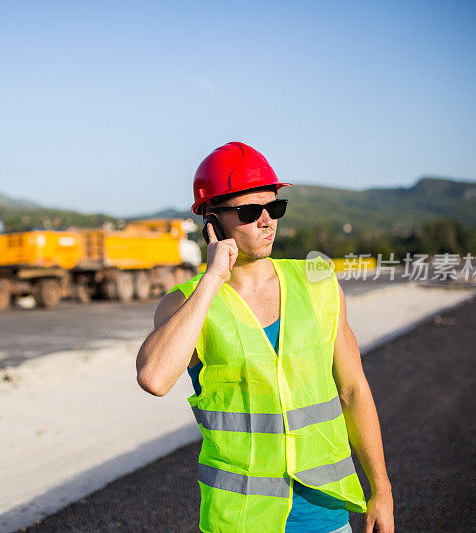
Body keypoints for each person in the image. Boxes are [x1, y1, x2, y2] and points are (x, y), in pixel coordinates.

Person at [136, 142, 394, 533]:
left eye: (274, 207)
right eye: (248, 211)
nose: (266, 220)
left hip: (325, 515)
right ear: (212, 220)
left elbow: (354, 390)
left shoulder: (318, 284)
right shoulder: (186, 304)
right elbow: (154, 379)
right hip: (240, 519)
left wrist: (382, 490)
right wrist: (212, 280)